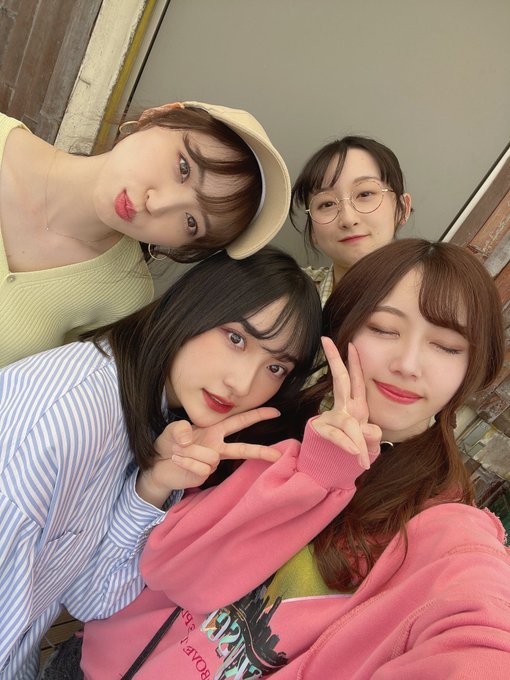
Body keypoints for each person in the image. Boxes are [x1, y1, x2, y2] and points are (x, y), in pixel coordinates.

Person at [78, 239, 510, 679]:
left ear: (473, 366)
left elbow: (480, 631)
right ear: (343, 330)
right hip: (91, 656)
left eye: (447, 346)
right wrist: (312, 470)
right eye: (383, 328)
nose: (409, 364)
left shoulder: (442, 522)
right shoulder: (271, 412)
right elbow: (171, 570)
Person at [0, 247, 321, 680]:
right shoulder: (70, 421)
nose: (242, 383)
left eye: (276, 367)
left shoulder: (156, 419)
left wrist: (152, 486)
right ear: (193, 307)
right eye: (236, 338)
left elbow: (92, 598)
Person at [0, 101, 290, 367]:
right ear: (158, 116)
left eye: (191, 222)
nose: (158, 204)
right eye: (183, 167)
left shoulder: (123, 297)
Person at [291, 136, 412, 306]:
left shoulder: (438, 297)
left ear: (402, 208)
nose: (348, 219)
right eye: (327, 204)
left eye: (365, 194)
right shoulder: (287, 293)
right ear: (312, 230)